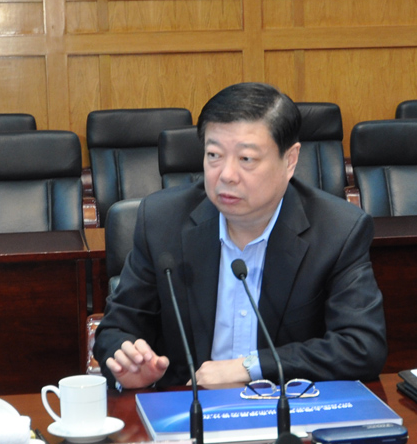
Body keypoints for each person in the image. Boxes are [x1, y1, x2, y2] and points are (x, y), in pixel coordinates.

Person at [93, 82, 387, 391]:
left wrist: (251, 368)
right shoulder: (162, 221)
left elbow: (362, 346)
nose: (226, 175)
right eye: (214, 155)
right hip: (188, 407)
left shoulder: (338, 230)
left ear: (290, 160)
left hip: (286, 408)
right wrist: (128, 364)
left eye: (246, 159)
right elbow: (115, 330)